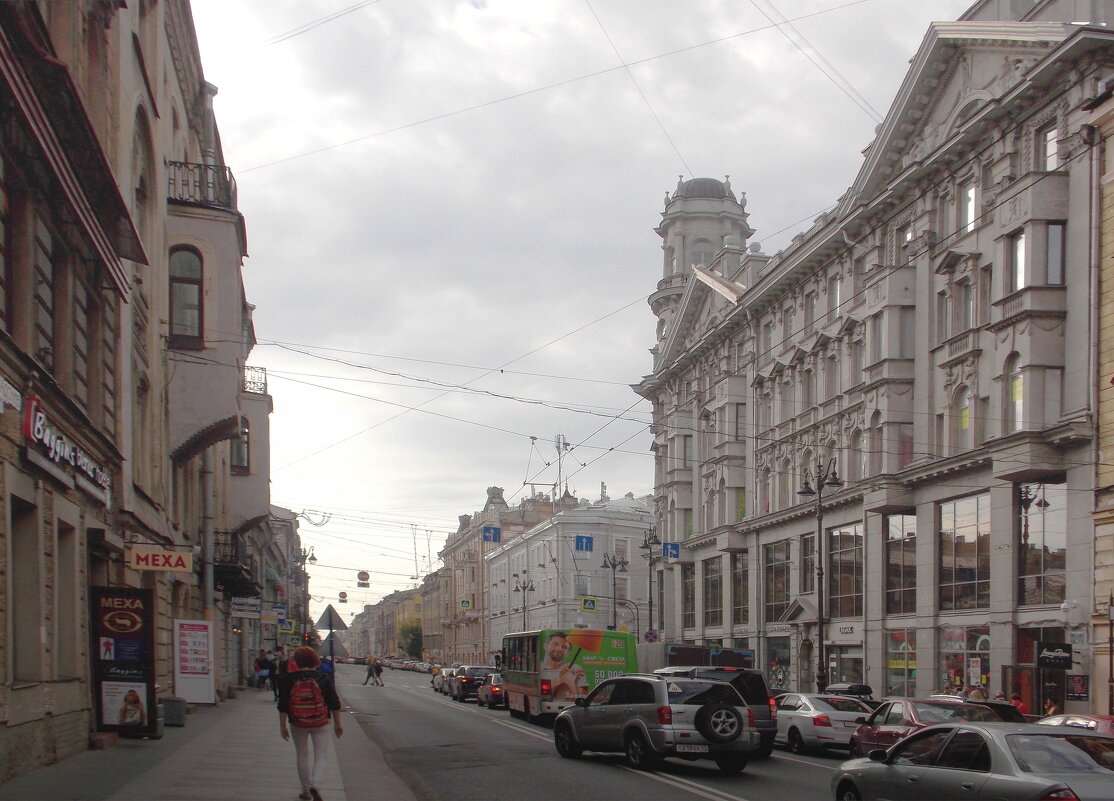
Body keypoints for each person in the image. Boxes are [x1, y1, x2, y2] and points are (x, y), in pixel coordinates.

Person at [278, 646, 343, 801]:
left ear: (297, 661)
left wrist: (282, 726)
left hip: (297, 722)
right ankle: (316, 784)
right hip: (320, 721)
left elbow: (283, 705)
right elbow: (334, 703)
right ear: (314, 660)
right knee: (321, 755)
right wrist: (337, 724)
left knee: (302, 754)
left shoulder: (288, 679)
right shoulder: (323, 678)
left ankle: (306, 792)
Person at [540, 632, 588, 700]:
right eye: (555, 644)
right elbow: (540, 695)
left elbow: (582, 701)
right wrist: (560, 680)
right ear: (545, 646)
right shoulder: (536, 667)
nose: (560, 649)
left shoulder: (575, 669)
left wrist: (571, 683)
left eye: (564, 647)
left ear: (568, 653)